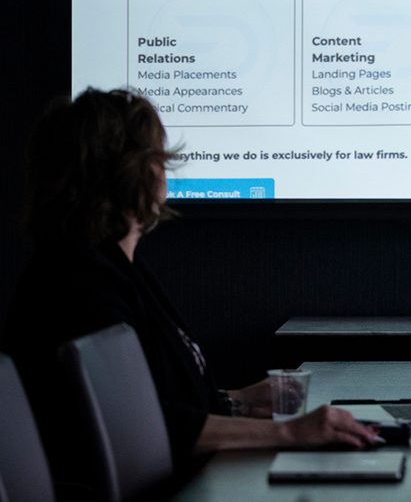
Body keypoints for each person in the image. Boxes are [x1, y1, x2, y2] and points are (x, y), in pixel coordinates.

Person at [1, 89, 380, 489]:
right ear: (131, 174)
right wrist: (293, 433)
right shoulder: (77, 287)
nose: (164, 170)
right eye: (156, 158)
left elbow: (156, 401)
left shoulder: (111, 269)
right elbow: (143, 428)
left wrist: (239, 401)